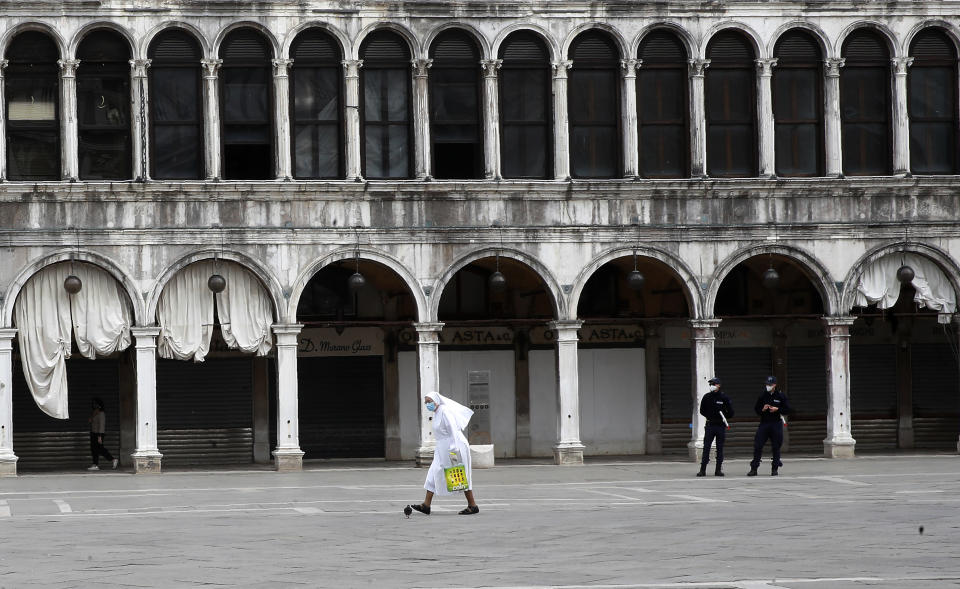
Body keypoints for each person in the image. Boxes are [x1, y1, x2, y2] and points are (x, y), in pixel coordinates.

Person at [408, 392, 480, 515]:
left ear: (436, 400)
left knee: (459, 474)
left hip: (454, 446)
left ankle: (472, 505)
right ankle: (426, 505)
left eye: (429, 401)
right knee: (433, 471)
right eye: (426, 402)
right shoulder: (436, 413)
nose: (427, 404)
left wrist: (453, 447)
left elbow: (452, 428)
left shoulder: (444, 411)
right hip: (442, 448)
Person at [748, 376, 791, 476]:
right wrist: (762, 409)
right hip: (764, 423)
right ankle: (754, 468)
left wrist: (777, 409)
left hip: (776, 423)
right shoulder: (763, 395)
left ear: (774, 385)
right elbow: (756, 410)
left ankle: (775, 468)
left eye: (770, 384)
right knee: (758, 445)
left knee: (776, 446)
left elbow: (787, 409)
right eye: (767, 384)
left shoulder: (781, 396)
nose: (768, 386)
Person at [697, 377, 734, 477]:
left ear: (719, 385)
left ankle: (718, 469)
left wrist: (722, 416)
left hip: (720, 426)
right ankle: (702, 469)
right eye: (711, 384)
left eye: (713, 384)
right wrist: (710, 416)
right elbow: (702, 410)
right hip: (710, 425)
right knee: (706, 447)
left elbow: (731, 412)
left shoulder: (724, 397)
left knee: (720, 448)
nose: (711, 386)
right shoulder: (707, 397)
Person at [88, 398, 118, 471]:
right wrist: (93, 415)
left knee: (100, 449)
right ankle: (96, 464)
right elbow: (90, 421)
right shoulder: (95, 413)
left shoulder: (101, 413)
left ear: (99, 405)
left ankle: (112, 460)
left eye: (96, 404)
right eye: (93, 404)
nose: (94, 405)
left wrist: (100, 436)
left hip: (98, 434)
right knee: (95, 450)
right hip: (93, 433)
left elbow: (102, 425)